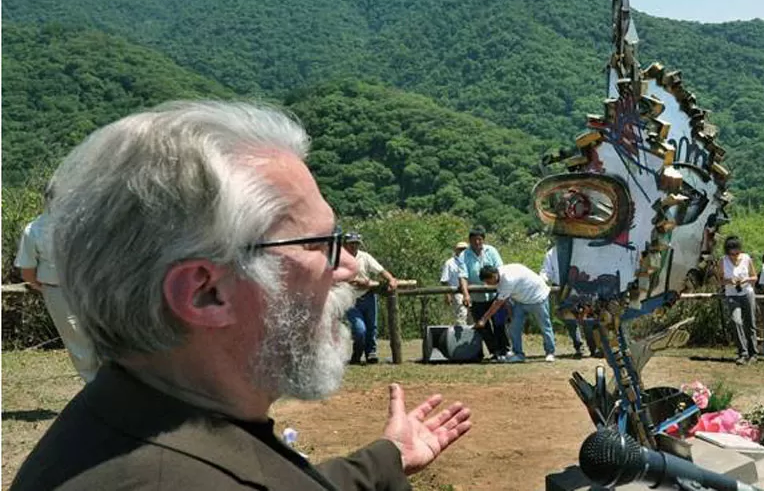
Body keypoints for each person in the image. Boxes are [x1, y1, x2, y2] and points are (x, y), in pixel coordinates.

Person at [11, 102, 471, 490]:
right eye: (319, 245)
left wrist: (386, 459)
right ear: (205, 292)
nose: (348, 267)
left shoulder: (131, 421)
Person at [13, 184, 100, 383]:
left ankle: (99, 385)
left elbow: (27, 270)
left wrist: (41, 284)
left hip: (67, 289)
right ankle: (100, 387)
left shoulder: (35, 229)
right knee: (87, 339)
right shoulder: (83, 225)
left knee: (79, 341)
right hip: (77, 288)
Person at [476, 264, 556, 363]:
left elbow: (498, 303)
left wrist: (483, 319)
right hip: (520, 300)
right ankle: (518, 354)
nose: (487, 284)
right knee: (514, 327)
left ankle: (550, 352)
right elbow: (505, 299)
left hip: (538, 297)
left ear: (494, 276)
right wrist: (510, 312)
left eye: (488, 282)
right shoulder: (499, 275)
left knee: (544, 326)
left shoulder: (508, 279)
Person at [344, 232, 399, 365]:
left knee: (371, 327)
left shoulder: (365, 257)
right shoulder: (340, 258)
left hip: (368, 296)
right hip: (349, 299)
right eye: (351, 243)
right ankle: (357, 353)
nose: (354, 246)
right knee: (359, 329)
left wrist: (391, 279)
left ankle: (371, 353)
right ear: (345, 244)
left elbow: (380, 270)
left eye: (356, 243)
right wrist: (358, 281)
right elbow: (337, 276)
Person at [457, 226, 508, 360]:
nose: (477, 242)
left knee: (499, 323)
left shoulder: (492, 251)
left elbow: (500, 269)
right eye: (474, 240)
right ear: (470, 241)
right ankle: (495, 352)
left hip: (495, 295)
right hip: (477, 298)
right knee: (482, 326)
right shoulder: (464, 255)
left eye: (480, 239)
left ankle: (505, 350)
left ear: (483, 240)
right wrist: (466, 294)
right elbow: (463, 276)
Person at [539, 244, 592, 358]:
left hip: (580, 286)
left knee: (586, 317)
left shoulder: (580, 249)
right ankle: (579, 346)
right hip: (560, 288)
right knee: (569, 320)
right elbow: (546, 271)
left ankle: (593, 347)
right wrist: (541, 281)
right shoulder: (552, 253)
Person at [719, 236, 759, 365]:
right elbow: (719, 280)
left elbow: (754, 277)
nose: (735, 256)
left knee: (750, 322)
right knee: (736, 321)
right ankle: (743, 352)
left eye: (737, 253)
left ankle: (754, 353)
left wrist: (746, 280)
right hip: (732, 294)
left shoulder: (747, 258)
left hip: (747, 293)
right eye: (732, 254)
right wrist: (728, 281)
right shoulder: (723, 261)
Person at [440, 242, 469, 325]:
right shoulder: (449, 263)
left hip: (471, 292)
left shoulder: (469, 261)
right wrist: (447, 295)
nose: (462, 251)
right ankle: (461, 336)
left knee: (472, 316)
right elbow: (444, 280)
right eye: (460, 249)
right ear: (456, 250)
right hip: (457, 292)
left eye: (464, 249)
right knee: (462, 314)